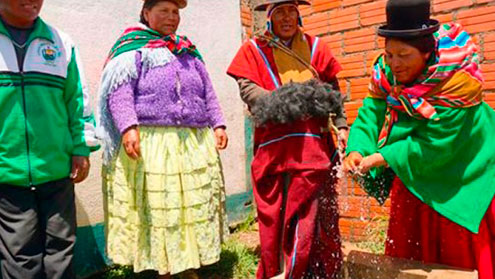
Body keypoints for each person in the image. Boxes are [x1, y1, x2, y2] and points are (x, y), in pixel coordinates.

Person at [343, 0, 495, 278]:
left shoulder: (459, 81)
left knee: (457, 255)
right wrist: (358, 148)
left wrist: (383, 157)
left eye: (403, 55)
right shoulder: (387, 72)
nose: (394, 63)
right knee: (409, 244)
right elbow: (372, 111)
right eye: (389, 54)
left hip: (462, 168)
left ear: (426, 53)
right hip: (412, 163)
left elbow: (441, 142)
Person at [98, 0, 229, 278]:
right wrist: (127, 127)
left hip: (192, 141)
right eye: (164, 11)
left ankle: (188, 262)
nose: (172, 17)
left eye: (176, 12)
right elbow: (119, 92)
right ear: (146, 14)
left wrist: (218, 123)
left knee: (191, 205)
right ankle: (164, 266)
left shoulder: (187, 51)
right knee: (162, 207)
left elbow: (208, 90)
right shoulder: (132, 49)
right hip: (154, 142)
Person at [227, 0, 346, 278]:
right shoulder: (254, 50)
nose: (287, 18)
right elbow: (247, 89)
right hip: (275, 149)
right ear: (269, 17)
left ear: (299, 14)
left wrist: (341, 125)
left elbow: (333, 88)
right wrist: (286, 101)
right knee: (278, 215)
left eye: (291, 11)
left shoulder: (316, 48)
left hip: (313, 146)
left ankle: (316, 270)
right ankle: (282, 270)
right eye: (279, 12)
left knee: (314, 215)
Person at [0, 0, 100, 278]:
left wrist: (81, 147)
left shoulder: (60, 43)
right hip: (8, 176)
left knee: (61, 251)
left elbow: (77, 100)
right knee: (20, 259)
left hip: (57, 170)